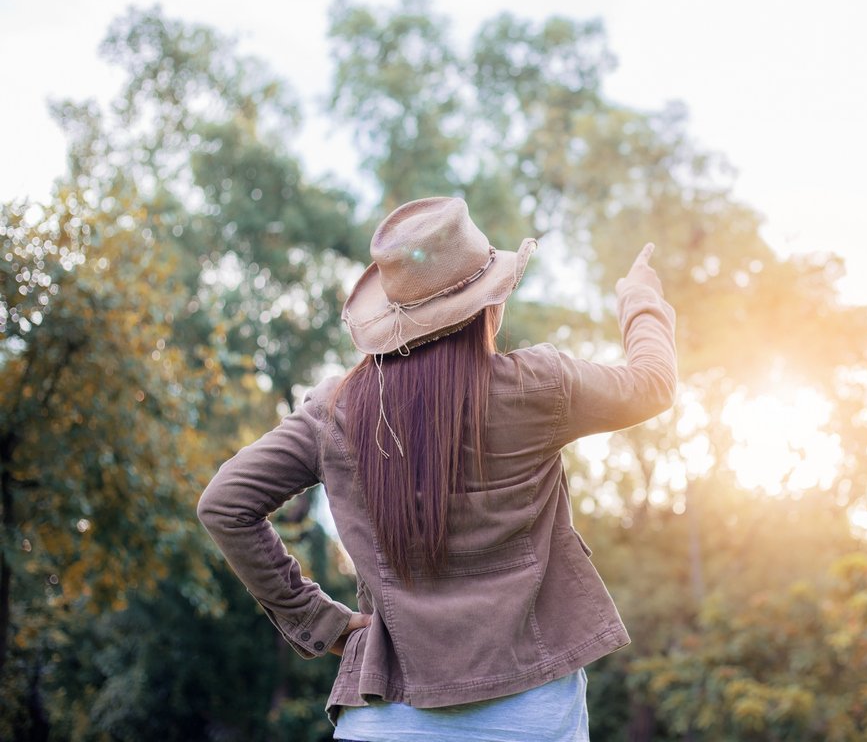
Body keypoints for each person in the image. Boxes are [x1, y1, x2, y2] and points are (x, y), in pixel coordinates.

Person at [196, 196, 677, 741]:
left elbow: (224, 504)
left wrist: (319, 623)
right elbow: (651, 385)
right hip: (530, 715)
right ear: (487, 306)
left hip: (384, 718)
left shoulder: (336, 411)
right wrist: (640, 301)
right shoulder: (539, 387)